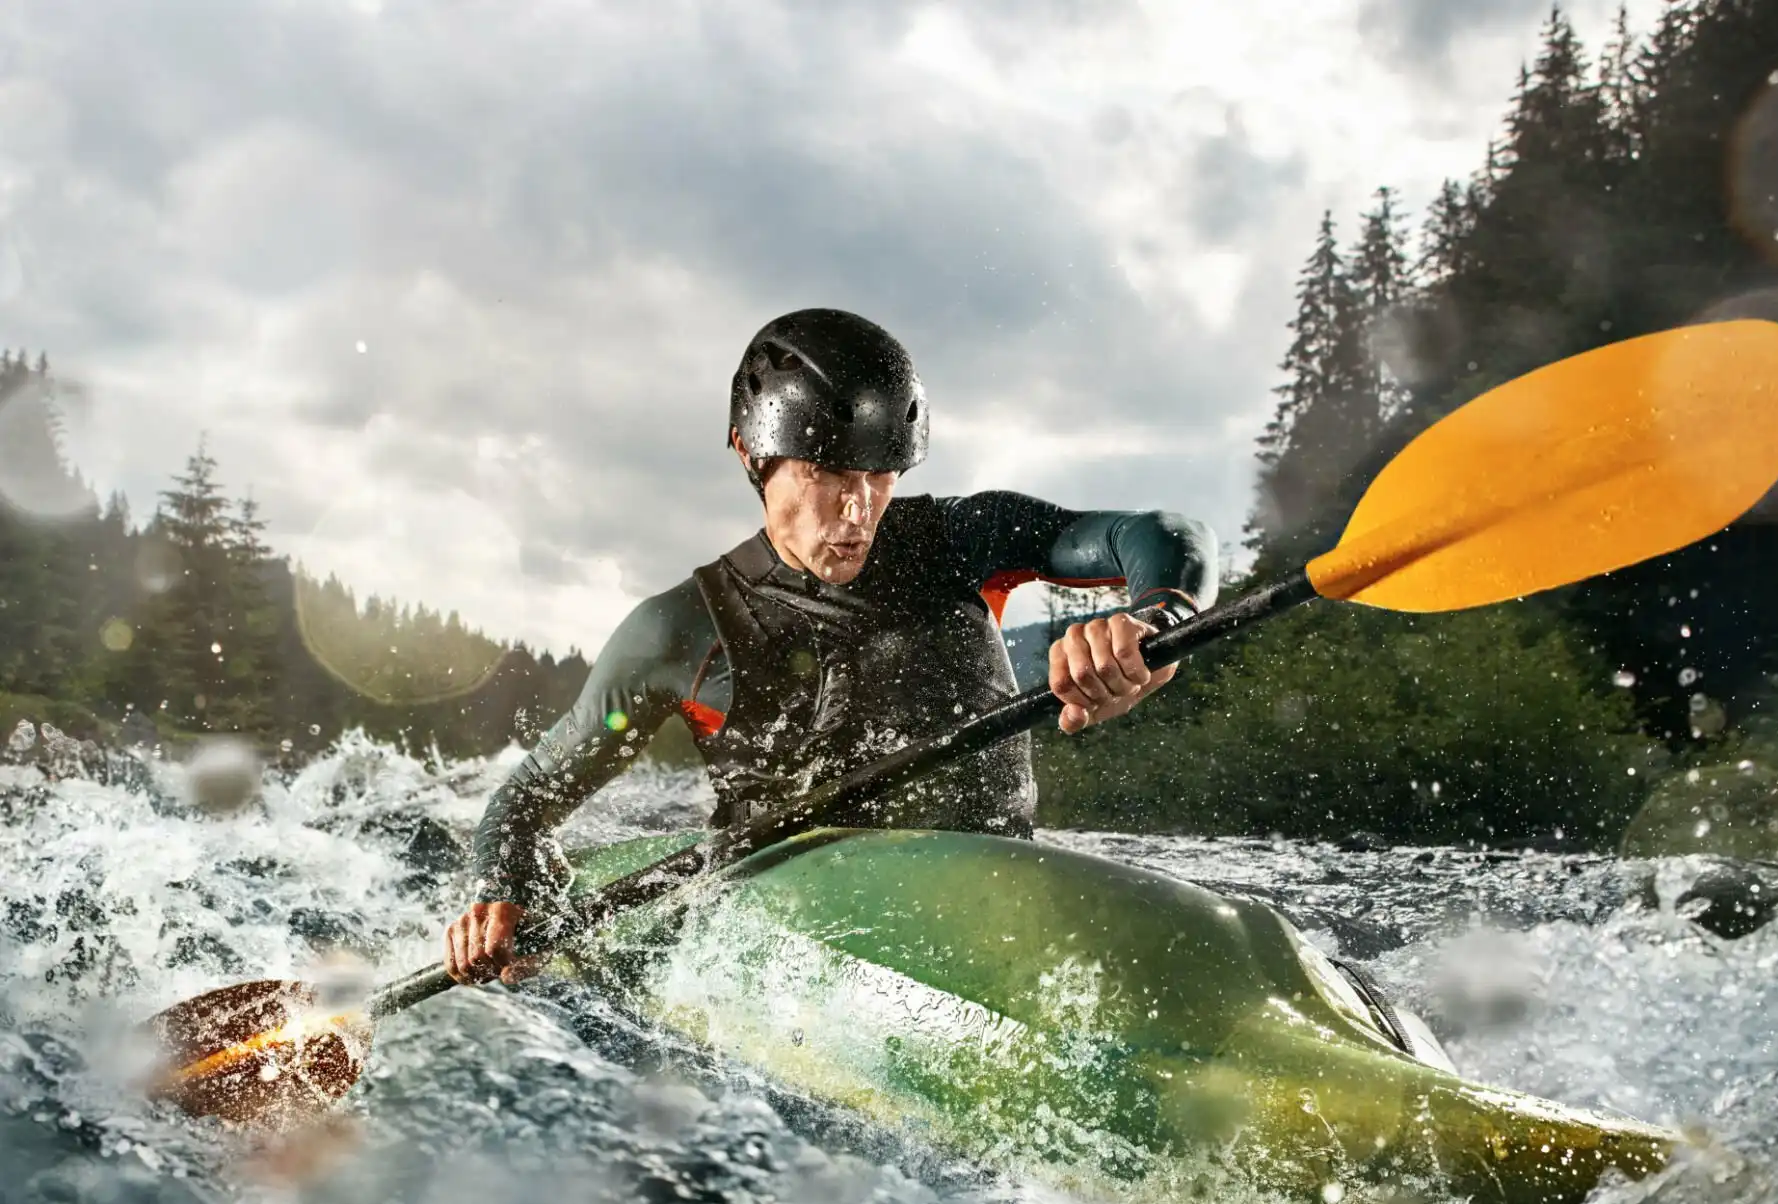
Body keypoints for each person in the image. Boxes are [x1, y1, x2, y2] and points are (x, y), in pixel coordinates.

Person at [446, 308, 1219, 985]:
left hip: (998, 909)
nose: (857, 509)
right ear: (753, 458)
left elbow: (1159, 534)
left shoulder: (955, 544)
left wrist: (1155, 620)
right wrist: (497, 888)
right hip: (798, 941)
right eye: (823, 473)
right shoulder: (677, 633)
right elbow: (526, 802)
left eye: (879, 474)